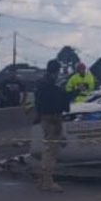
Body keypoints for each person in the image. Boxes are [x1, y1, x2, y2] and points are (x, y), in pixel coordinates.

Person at [35, 59, 70, 193]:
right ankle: (47, 183)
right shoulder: (50, 86)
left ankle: (42, 180)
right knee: (51, 151)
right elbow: (57, 103)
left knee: (49, 149)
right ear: (56, 71)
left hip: (44, 118)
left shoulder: (41, 84)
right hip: (52, 120)